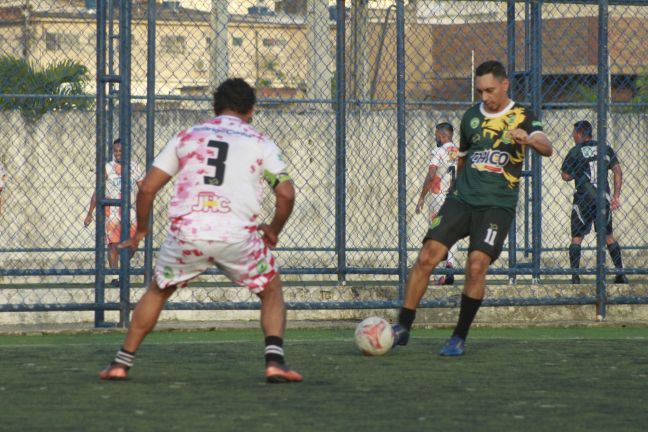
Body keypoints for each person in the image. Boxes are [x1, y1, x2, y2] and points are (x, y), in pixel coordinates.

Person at [98, 78, 303, 383]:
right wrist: (273, 230)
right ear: (251, 110)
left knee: (157, 290)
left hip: (188, 234)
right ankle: (274, 361)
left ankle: (120, 363)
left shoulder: (187, 136)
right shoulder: (260, 142)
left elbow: (147, 189)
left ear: (215, 108)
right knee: (271, 289)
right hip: (238, 236)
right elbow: (286, 194)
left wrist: (142, 230)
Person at [392, 60, 553, 356]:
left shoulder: (523, 115)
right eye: (480, 91)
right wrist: (453, 194)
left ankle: (458, 337)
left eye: (490, 90)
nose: (485, 97)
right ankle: (403, 326)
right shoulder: (470, 117)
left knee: (476, 265)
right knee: (427, 256)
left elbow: (547, 146)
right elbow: (463, 158)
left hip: (497, 206)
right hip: (461, 200)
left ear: (505, 85)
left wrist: (528, 139)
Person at [561, 120, 628, 289]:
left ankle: (575, 278)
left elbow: (566, 176)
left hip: (583, 198)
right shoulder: (605, 148)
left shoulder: (575, 151)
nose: (572, 136)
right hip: (602, 198)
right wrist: (616, 196)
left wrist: (577, 172)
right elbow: (618, 171)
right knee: (608, 236)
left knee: (577, 237)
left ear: (580, 133)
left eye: (574, 133)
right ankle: (620, 273)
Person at [84, 138, 145, 287]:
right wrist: (90, 212)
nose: (117, 154)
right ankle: (115, 277)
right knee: (112, 246)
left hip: (129, 211)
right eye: (115, 151)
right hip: (112, 212)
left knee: (133, 244)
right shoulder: (108, 168)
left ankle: (122, 267)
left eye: (120, 151)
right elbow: (98, 190)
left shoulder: (135, 167)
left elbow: (143, 190)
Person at [415, 122, 459, 285]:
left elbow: (431, 174)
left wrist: (421, 197)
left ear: (441, 135)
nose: (435, 138)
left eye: (436, 135)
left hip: (438, 198)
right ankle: (449, 266)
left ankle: (433, 274)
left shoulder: (439, 152)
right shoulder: (459, 152)